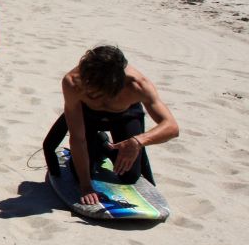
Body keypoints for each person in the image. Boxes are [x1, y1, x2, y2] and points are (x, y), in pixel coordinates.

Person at [43, 45, 179, 205]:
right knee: (77, 172)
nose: (88, 93)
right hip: (88, 116)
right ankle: (100, 142)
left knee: (130, 176)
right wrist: (86, 186)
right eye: (87, 89)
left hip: (125, 115)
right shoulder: (73, 83)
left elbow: (172, 127)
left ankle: (105, 146)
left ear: (116, 86)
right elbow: (78, 138)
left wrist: (138, 141)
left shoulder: (137, 86)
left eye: (95, 93)